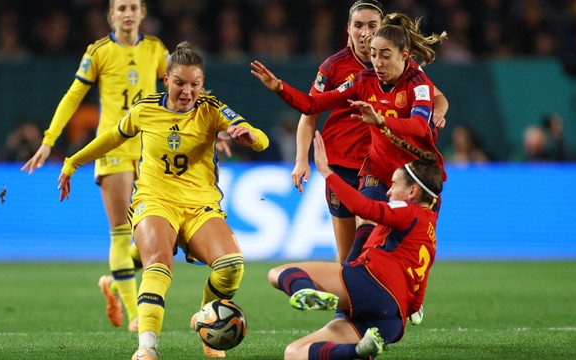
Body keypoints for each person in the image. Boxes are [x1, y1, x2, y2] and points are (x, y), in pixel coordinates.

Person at [57, 42, 269, 360]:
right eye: (180, 83)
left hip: (200, 206)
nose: (187, 91)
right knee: (158, 261)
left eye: (194, 84)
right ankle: (146, 347)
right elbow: (112, 137)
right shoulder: (146, 110)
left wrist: (249, 136)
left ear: (202, 83)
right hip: (155, 200)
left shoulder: (211, 109)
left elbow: (260, 140)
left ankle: (205, 322)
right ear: (166, 79)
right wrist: (73, 161)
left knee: (231, 266)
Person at [252, 12, 447, 267]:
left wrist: (387, 120)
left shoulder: (417, 80)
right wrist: (279, 87)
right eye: (374, 54)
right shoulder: (359, 77)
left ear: (403, 54)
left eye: (384, 55)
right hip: (370, 167)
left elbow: (421, 125)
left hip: (412, 173)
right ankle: (346, 302)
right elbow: (312, 105)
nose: (377, 62)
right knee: (358, 244)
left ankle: (398, 299)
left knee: (409, 248)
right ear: (348, 29)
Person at [21, 0, 169, 333]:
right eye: (121, 8)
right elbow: (74, 95)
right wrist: (49, 140)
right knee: (120, 233)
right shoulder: (99, 51)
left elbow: (182, 86)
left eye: (134, 7)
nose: (128, 13)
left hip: (150, 148)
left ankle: (115, 284)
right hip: (112, 146)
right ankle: (134, 314)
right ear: (111, 15)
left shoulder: (157, 49)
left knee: (154, 236)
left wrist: (212, 127)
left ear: (143, 14)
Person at [266, 130, 443, 360]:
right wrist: (407, 311)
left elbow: (364, 208)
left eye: (394, 184)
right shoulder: (430, 231)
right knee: (294, 354)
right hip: (390, 320)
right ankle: (357, 351)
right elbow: (418, 292)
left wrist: (326, 172)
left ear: (413, 191)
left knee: (278, 273)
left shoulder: (407, 210)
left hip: (373, 285)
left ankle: (304, 291)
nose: (388, 190)